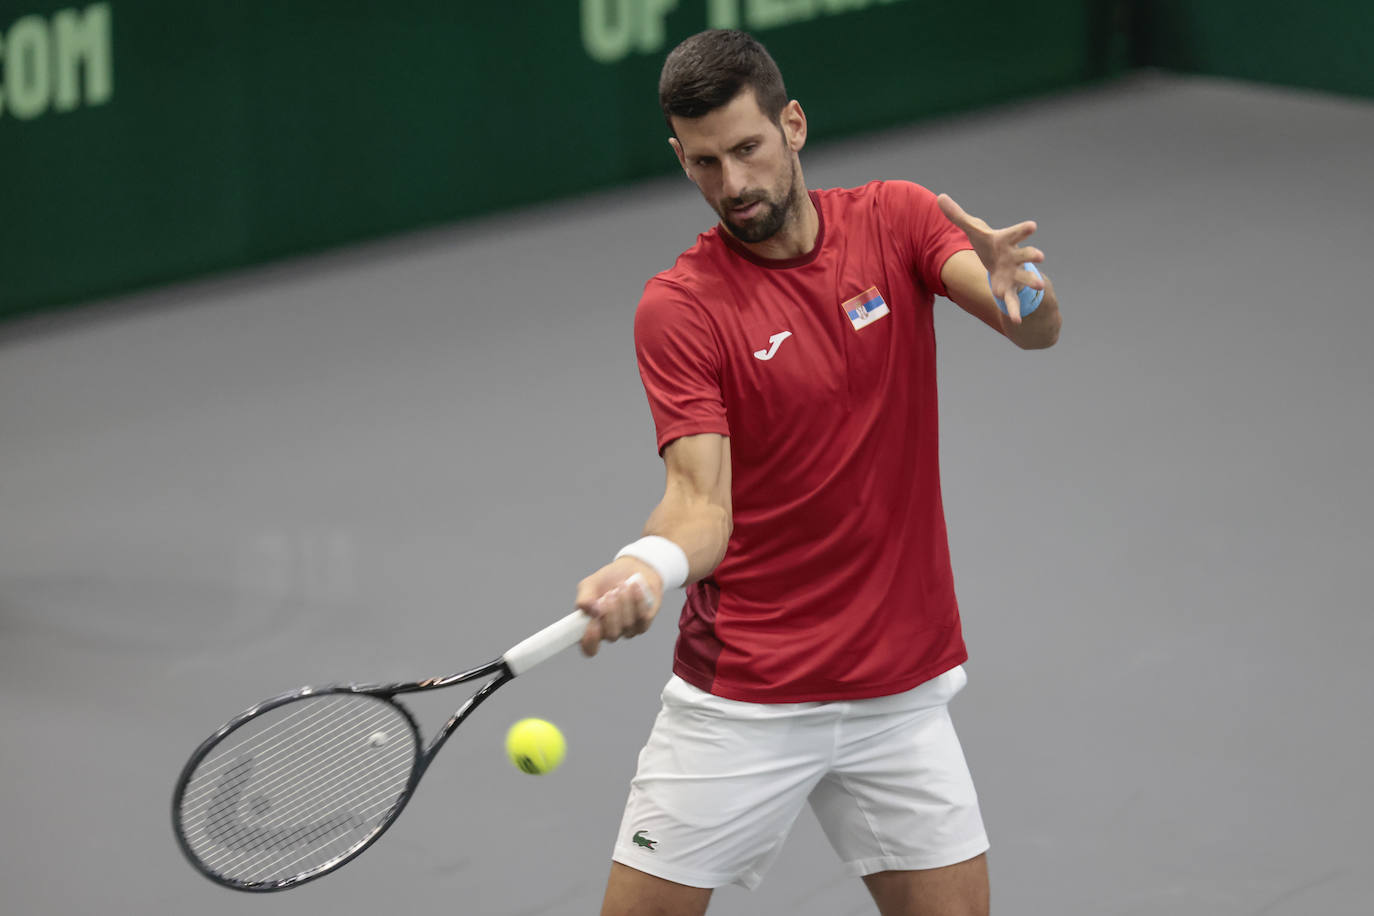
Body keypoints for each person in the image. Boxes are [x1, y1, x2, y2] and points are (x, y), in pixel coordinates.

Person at [573, 29, 1060, 916]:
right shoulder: (681, 309)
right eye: (706, 163)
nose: (734, 186)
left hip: (897, 692)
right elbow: (699, 506)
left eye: (749, 149)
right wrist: (647, 565)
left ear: (793, 125)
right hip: (747, 696)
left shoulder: (898, 219)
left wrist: (1021, 288)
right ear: (680, 157)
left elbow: (1029, 326)